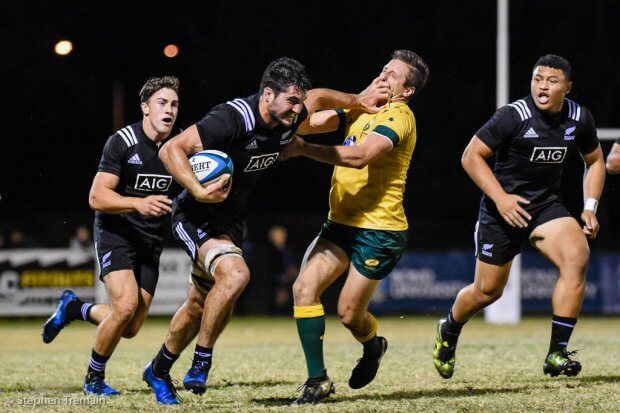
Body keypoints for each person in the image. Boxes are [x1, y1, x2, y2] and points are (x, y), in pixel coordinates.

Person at [142, 57, 390, 405]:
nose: (298, 107)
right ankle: (202, 360)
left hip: (231, 218)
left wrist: (358, 98)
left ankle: (158, 369)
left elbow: (318, 97)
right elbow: (172, 150)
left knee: (199, 303)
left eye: (298, 101)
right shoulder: (232, 118)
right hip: (195, 214)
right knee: (236, 275)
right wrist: (198, 190)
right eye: (291, 99)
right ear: (268, 94)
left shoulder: (292, 115)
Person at [433, 55, 605, 380]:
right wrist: (501, 199)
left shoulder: (580, 118)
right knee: (487, 292)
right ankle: (450, 328)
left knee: (577, 255)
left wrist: (589, 207)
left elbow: (595, 161)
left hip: (544, 207)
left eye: (552, 81)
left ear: (567, 87)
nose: (543, 86)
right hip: (501, 211)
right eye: (538, 78)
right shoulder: (513, 116)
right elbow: (471, 156)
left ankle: (557, 352)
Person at [277, 50, 429, 404]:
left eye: (392, 76)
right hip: (340, 225)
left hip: (380, 232)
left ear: (406, 91)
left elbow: (361, 157)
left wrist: (304, 151)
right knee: (304, 288)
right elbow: (303, 122)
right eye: (382, 69)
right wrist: (352, 101)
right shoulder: (363, 108)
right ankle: (318, 380)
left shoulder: (400, 117)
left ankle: (373, 346)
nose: (383, 77)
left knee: (348, 314)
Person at [41, 76, 187, 396]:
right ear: (145, 107)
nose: (169, 110)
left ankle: (73, 308)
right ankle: (94, 379)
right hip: (115, 232)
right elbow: (96, 197)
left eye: (174, 104)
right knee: (124, 308)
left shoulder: (180, 146)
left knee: (131, 327)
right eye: (162, 103)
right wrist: (137, 202)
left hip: (151, 241)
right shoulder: (122, 141)